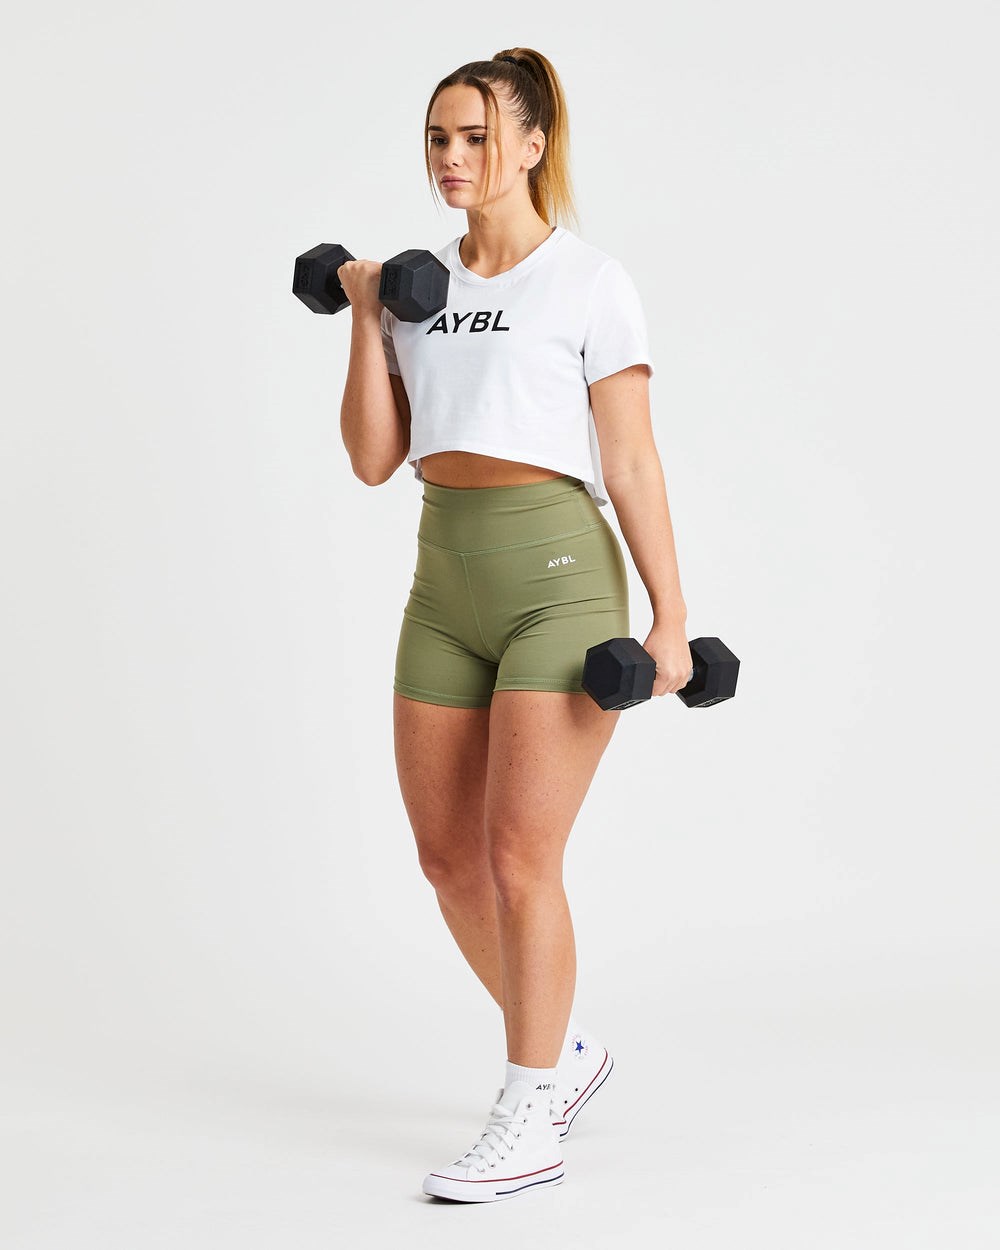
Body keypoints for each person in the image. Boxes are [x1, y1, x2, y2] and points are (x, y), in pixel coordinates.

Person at [337, 47, 692, 1203]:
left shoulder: (588, 282)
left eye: (477, 137)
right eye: (438, 137)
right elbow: (376, 458)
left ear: (532, 144)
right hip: (443, 582)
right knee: (446, 859)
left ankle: (528, 1105)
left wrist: (672, 615)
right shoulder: (414, 286)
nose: (452, 157)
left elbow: (629, 459)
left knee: (517, 855)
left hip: (557, 581)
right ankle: (566, 1053)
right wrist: (364, 314)